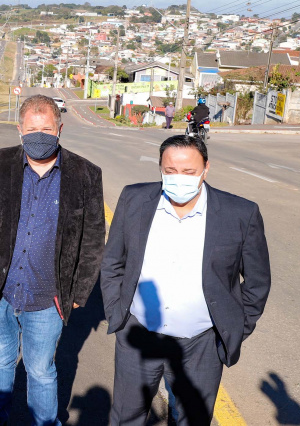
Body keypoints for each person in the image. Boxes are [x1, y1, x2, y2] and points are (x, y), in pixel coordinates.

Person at [100, 135, 271, 425]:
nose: (179, 178)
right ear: (160, 168)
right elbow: (113, 261)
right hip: (138, 336)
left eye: (189, 171)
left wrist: (234, 328)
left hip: (202, 344)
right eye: (170, 170)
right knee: (127, 418)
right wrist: (117, 312)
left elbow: (257, 282)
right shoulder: (134, 199)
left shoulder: (240, 214)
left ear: (206, 168)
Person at [0, 93, 106, 426]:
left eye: (46, 129)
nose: (38, 135)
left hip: (48, 297)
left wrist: (79, 291)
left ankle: (44, 422)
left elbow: (93, 236)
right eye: (31, 129)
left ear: (60, 129)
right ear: (20, 129)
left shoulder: (85, 174)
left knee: (40, 369)